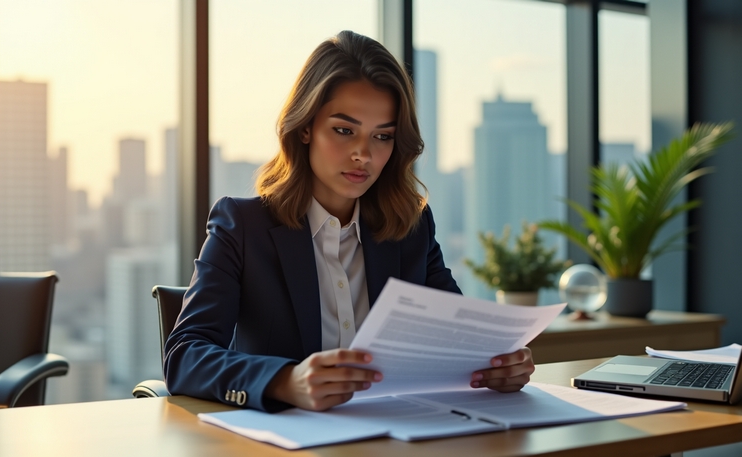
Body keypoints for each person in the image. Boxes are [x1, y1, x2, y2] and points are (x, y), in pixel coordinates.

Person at [163, 30, 534, 413]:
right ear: (305, 127)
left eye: (382, 136)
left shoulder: (412, 227)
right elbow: (185, 356)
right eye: (344, 130)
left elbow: (458, 339)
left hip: (400, 434)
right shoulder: (242, 226)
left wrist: (496, 365)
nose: (363, 154)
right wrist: (285, 381)